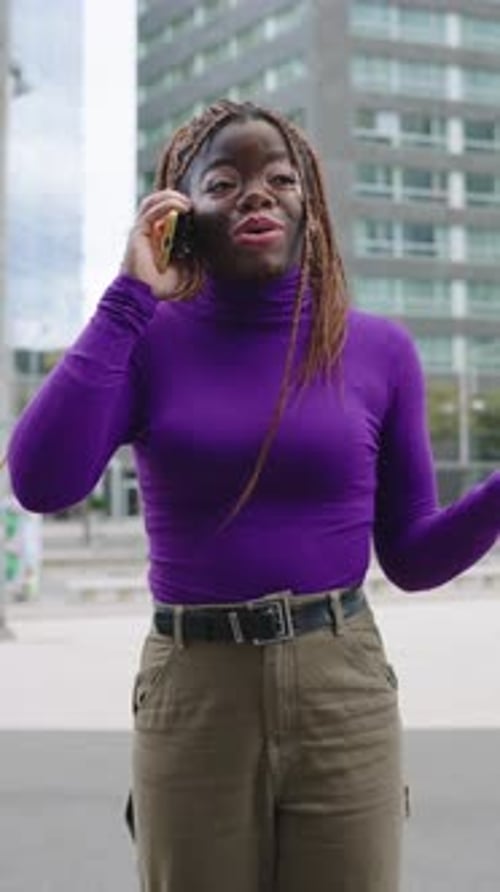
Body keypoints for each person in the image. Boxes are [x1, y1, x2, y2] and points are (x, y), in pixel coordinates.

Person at [6, 99, 500, 892]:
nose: (258, 194)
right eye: (224, 181)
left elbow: (411, 556)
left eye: (280, 178)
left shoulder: (377, 350)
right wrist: (131, 293)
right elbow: (39, 479)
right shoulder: (145, 336)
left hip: (342, 679)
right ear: (181, 213)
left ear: (312, 207)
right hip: (194, 686)